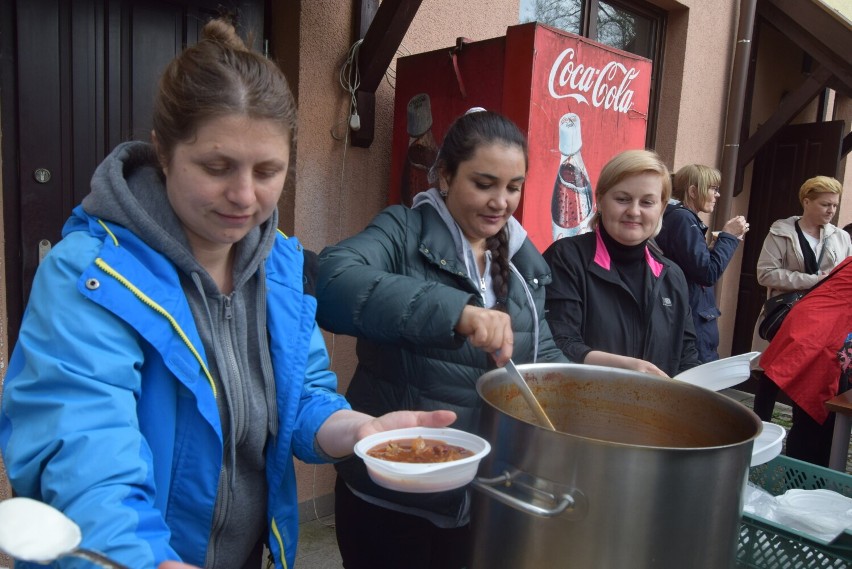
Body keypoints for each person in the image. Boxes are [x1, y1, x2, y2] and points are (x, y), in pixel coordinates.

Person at [0, 19, 454, 569]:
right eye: (217, 167)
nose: (243, 196)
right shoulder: (88, 275)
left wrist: (357, 430)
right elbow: (83, 458)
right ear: (163, 152)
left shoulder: (280, 265)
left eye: (268, 170)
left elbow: (303, 395)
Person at [315, 108, 568, 569]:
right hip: (391, 495)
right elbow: (332, 282)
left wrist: (591, 380)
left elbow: (539, 353)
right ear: (446, 177)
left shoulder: (522, 259)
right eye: (484, 183)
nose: (501, 202)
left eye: (513, 187)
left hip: (480, 497)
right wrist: (456, 312)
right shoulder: (402, 231)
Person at [543, 149, 701, 378]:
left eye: (647, 202)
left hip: (655, 412)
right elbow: (557, 343)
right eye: (623, 199)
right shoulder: (567, 259)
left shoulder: (672, 276)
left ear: (662, 208)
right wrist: (623, 369)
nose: (634, 211)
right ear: (600, 199)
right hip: (576, 408)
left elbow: (687, 357)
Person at [751, 175, 852, 421]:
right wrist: (815, 281)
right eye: (825, 204)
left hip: (822, 327)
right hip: (786, 314)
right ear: (806, 202)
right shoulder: (781, 231)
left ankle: (799, 432)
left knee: (808, 377)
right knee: (771, 374)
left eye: (835, 205)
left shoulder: (841, 237)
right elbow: (765, 274)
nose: (831, 210)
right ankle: (757, 430)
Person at [760, 257, 852, 466]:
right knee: (814, 419)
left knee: (818, 417)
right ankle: (803, 481)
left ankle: (809, 474)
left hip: (811, 330)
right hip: (819, 340)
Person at [654, 164, 748, 363]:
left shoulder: (677, 216)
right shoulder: (683, 218)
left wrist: (715, 248)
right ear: (693, 191)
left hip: (687, 312)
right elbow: (707, 273)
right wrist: (729, 237)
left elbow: (691, 264)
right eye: (713, 189)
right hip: (693, 318)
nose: (717, 195)